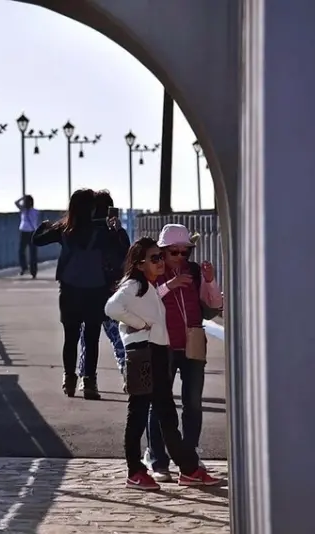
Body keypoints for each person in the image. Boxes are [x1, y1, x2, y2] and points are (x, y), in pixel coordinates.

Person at [105, 237, 223, 490]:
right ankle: (135, 470)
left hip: (157, 353)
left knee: (167, 415)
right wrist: (139, 324)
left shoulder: (147, 285)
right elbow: (111, 307)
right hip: (142, 353)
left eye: (161, 256)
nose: (160, 262)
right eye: (155, 258)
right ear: (139, 264)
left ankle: (188, 468)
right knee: (138, 413)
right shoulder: (135, 285)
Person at [143, 223, 224, 482]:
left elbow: (214, 304)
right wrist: (171, 284)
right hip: (162, 345)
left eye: (184, 252)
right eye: (173, 252)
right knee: (160, 405)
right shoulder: (153, 271)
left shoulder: (195, 271)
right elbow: (145, 300)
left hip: (192, 344)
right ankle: (158, 458)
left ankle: (189, 459)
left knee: (193, 404)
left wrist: (210, 281)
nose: (179, 257)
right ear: (162, 251)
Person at [32, 189, 125, 397]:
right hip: (95, 290)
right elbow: (122, 252)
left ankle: (69, 379)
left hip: (69, 290)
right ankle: (90, 382)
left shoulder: (65, 229)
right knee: (91, 338)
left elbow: (37, 240)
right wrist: (116, 229)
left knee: (70, 337)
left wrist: (44, 225)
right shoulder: (102, 231)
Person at [77, 190, 130, 398]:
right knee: (118, 336)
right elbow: (127, 257)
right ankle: (127, 375)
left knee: (87, 339)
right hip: (111, 292)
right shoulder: (115, 232)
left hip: (91, 293)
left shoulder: (86, 233)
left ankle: (86, 378)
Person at [15, 194, 40, 278]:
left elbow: (17, 203)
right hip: (28, 232)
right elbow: (16, 203)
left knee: (26, 252)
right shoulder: (31, 211)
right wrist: (24, 197)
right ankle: (30, 270)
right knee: (28, 252)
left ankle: (28, 269)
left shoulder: (28, 210)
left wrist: (22, 198)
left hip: (28, 232)